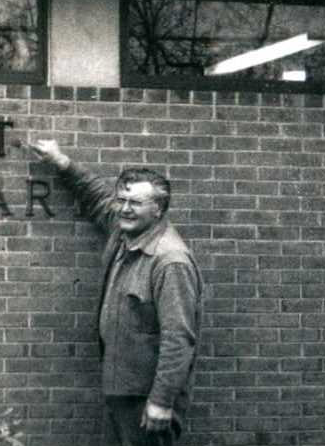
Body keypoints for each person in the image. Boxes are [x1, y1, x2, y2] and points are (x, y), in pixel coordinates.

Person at [25, 140, 202, 446]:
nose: (124, 209)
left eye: (135, 203)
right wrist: (61, 162)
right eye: (122, 200)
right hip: (120, 391)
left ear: (157, 209)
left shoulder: (170, 261)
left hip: (146, 400)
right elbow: (95, 195)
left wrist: (161, 400)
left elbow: (179, 338)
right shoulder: (124, 233)